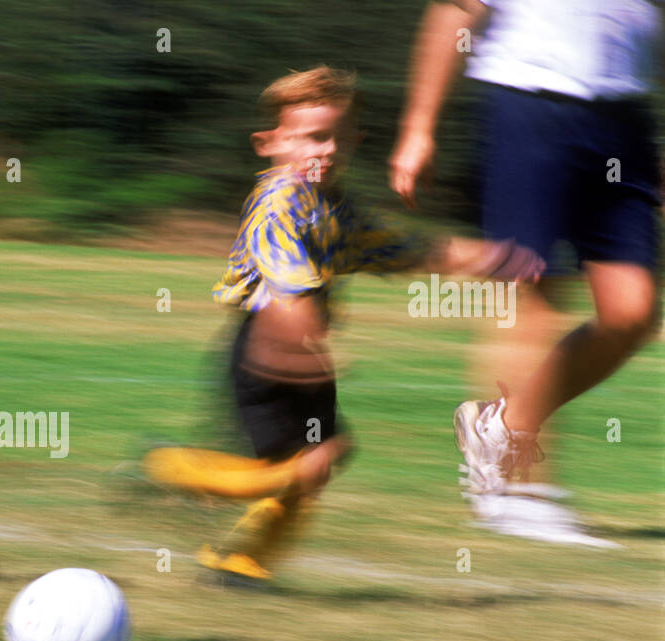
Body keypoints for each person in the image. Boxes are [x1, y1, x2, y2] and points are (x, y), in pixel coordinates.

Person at [144, 66, 542, 584]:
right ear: (270, 144)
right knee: (307, 463)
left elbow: (410, 248)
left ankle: (240, 564)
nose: (325, 150)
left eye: (335, 137)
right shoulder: (278, 204)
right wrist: (303, 346)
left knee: (323, 458)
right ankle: (170, 470)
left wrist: (489, 257)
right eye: (311, 137)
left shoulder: (332, 206)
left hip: (303, 351)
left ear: (354, 140)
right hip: (264, 350)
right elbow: (288, 297)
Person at [390, 0, 661, 546]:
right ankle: (518, 489)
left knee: (633, 311)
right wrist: (420, 127)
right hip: (527, 105)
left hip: (622, 118)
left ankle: (499, 430)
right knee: (530, 293)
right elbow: (454, 11)